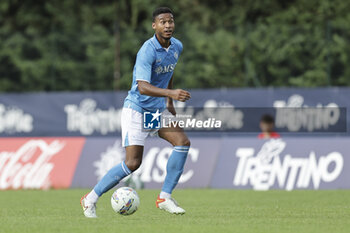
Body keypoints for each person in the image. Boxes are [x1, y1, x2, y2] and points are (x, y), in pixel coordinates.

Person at [80, 7, 191, 218]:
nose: (167, 25)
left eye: (170, 21)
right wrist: (171, 93)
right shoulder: (147, 50)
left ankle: (164, 198)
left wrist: (169, 101)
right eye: (162, 22)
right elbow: (142, 87)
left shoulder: (177, 46)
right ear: (154, 25)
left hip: (157, 109)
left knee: (182, 142)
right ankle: (90, 198)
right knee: (133, 163)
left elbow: (169, 71)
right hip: (137, 109)